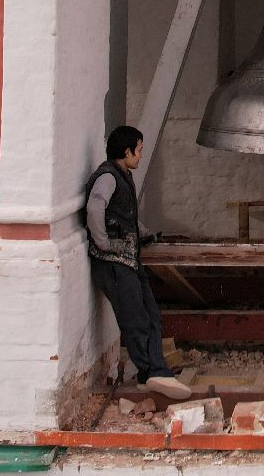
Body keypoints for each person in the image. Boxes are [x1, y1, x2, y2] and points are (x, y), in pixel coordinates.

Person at [84, 125, 191, 400]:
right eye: (139, 150)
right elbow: (95, 207)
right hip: (113, 264)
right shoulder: (108, 177)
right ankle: (153, 371)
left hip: (129, 259)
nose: (141, 155)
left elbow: (124, 214)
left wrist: (143, 233)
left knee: (151, 315)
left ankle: (152, 374)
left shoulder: (123, 176)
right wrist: (103, 242)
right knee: (135, 320)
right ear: (127, 151)